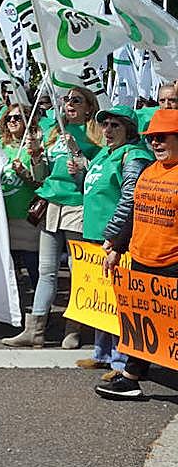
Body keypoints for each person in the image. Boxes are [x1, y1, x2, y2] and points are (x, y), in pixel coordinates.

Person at [1, 87, 103, 348]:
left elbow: (94, 175)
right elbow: (41, 175)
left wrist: (80, 158)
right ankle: (34, 331)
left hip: (76, 207)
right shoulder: (55, 132)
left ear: (89, 107)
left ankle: (74, 328)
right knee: (46, 271)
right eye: (67, 100)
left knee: (76, 270)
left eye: (76, 100)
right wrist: (36, 155)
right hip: (50, 206)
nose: (69, 104)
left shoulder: (97, 136)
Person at [97, 109, 178, 400]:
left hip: (173, 264)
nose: (155, 143)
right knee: (141, 323)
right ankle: (132, 377)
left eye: (162, 138)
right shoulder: (149, 171)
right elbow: (134, 211)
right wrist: (117, 247)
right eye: (151, 138)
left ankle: (132, 373)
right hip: (143, 259)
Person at [66, 107, 150, 372]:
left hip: (117, 241)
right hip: (94, 237)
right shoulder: (105, 153)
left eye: (115, 125)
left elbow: (130, 199)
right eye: (105, 125)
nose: (108, 130)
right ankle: (102, 353)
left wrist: (114, 236)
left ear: (129, 129)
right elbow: (93, 189)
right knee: (101, 300)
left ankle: (121, 359)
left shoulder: (133, 155)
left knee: (119, 302)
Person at [0, 103, 46, 302]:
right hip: (2, 217)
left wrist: (24, 173)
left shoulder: (33, 147)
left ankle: (41, 311)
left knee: (33, 267)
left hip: (26, 218)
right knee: (10, 269)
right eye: (10, 118)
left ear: (28, 121)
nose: (13, 122)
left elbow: (41, 182)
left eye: (18, 118)